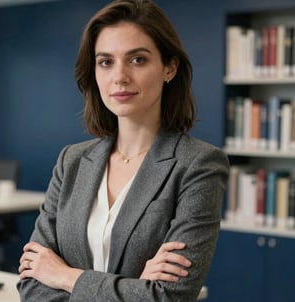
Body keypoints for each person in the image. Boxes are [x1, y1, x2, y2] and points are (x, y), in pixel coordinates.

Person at [17, 0, 229, 301]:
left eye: (137, 60)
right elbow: (31, 284)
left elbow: (169, 296)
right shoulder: (72, 161)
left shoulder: (198, 164)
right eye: (106, 62)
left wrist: (64, 276)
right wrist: (133, 288)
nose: (119, 77)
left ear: (169, 67)